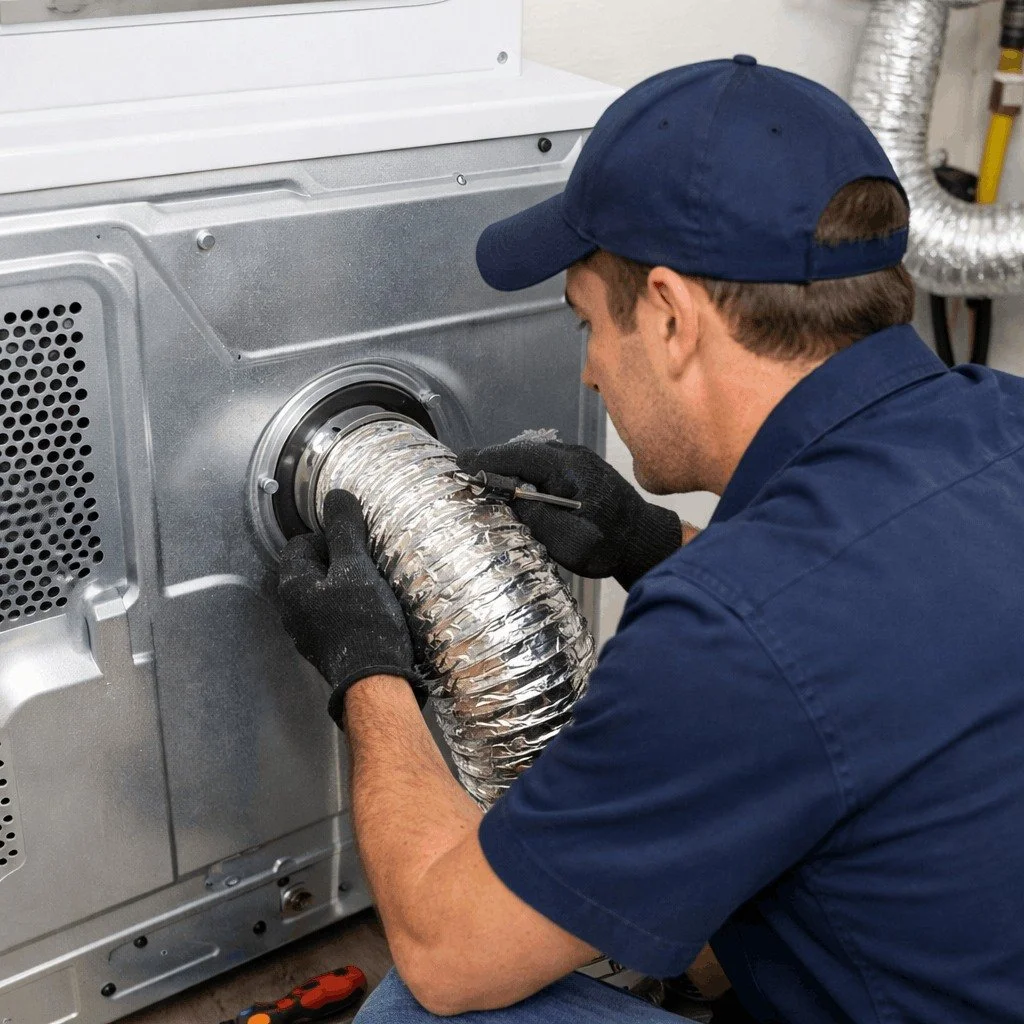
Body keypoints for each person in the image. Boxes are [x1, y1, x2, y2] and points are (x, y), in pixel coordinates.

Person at [276, 57, 1024, 1024]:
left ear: (671, 316)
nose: (590, 373)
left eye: (588, 323)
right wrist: (653, 540)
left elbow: (445, 954)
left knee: (418, 1015)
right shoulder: (1003, 417)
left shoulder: (733, 632)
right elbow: (884, 622)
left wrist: (366, 668)